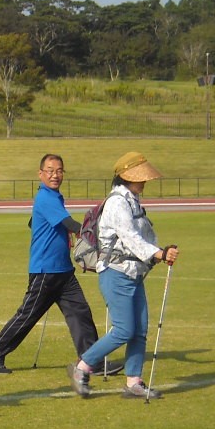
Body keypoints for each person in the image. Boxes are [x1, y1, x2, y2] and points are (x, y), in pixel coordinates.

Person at [0, 153, 121, 383]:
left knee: (80, 313)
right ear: (41, 174)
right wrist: (90, 233)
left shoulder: (53, 197)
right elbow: (69, 223)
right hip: (46, 270)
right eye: (50, 171)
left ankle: (93, 360)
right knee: (27, 316)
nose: (55, 175)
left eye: (59, 171)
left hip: (63, 271)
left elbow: (36, 222)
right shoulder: (45, 197)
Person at [68, 152, 179, 399]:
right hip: (115, 273)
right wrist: (159, 254)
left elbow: (144, 236)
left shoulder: (133, 200)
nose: (144, 182)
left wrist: (160, 251)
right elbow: (131, 238)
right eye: (140, 177)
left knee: (139, 330)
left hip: (133, 273)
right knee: (124, 330)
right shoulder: (118, 203)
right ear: (126, 177)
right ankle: (82, 367)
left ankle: (134, 382)